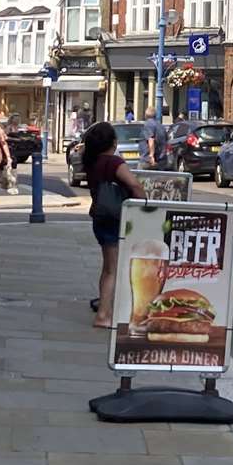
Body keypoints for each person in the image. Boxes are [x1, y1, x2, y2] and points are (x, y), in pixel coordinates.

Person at [82, 122, 147, 328]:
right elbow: (135, 185)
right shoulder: (114, 163)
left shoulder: (91, 161)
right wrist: (145, 202)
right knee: (112, 268)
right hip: (114, 219)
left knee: (108, 267)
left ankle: (106, 307)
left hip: (99, 218)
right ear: (113, 142)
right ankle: (102, 316)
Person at [141, 106, 168, 171]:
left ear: (146, 115)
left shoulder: (148, 124)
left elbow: (151, 139)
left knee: (139, 178)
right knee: (158, 180)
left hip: (149, 160)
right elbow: (166, 141)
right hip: (161, 160)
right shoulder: (161, 126)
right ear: (155, 115)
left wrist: (151, 155)